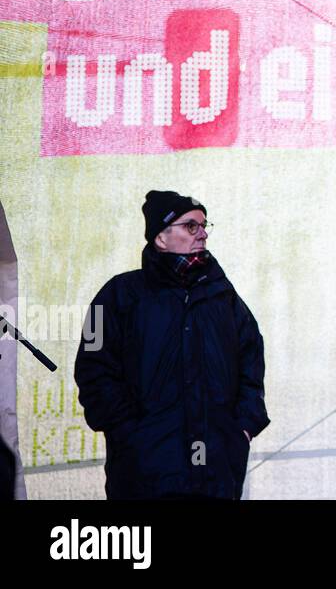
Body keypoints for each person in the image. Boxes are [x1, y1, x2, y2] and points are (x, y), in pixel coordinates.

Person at [74, 191, 269, 499]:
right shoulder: (117, 295)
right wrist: (129, 435)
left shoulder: (225, 296)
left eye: (204, 226)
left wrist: (241, 430)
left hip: (216, 472)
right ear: (161, 238)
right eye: (191, 226)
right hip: (144, 476)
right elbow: (92, 369)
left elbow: (252, 363)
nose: (202, 233)